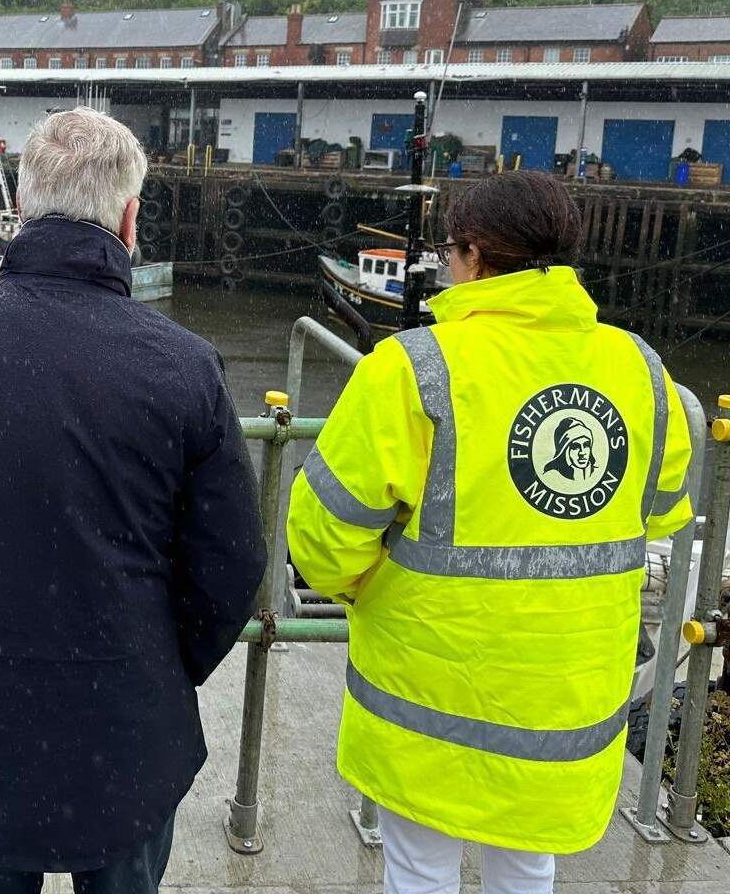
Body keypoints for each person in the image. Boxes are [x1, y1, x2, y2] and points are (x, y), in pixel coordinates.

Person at [0, 106, 266, 893]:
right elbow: (232, 564)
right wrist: (157, 664)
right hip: (127, 734)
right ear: (131, 220)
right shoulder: (185, 367)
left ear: (20, 209)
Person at [287, 170, 692, 894]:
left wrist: (365, 589)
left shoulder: (414, 368)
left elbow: (323, 535)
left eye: (449, 251)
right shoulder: (641, 369)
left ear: (473, 254)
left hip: (430, 688)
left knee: (420, 869)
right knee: (530, 863)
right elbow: (659, 509)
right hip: (567, 695)